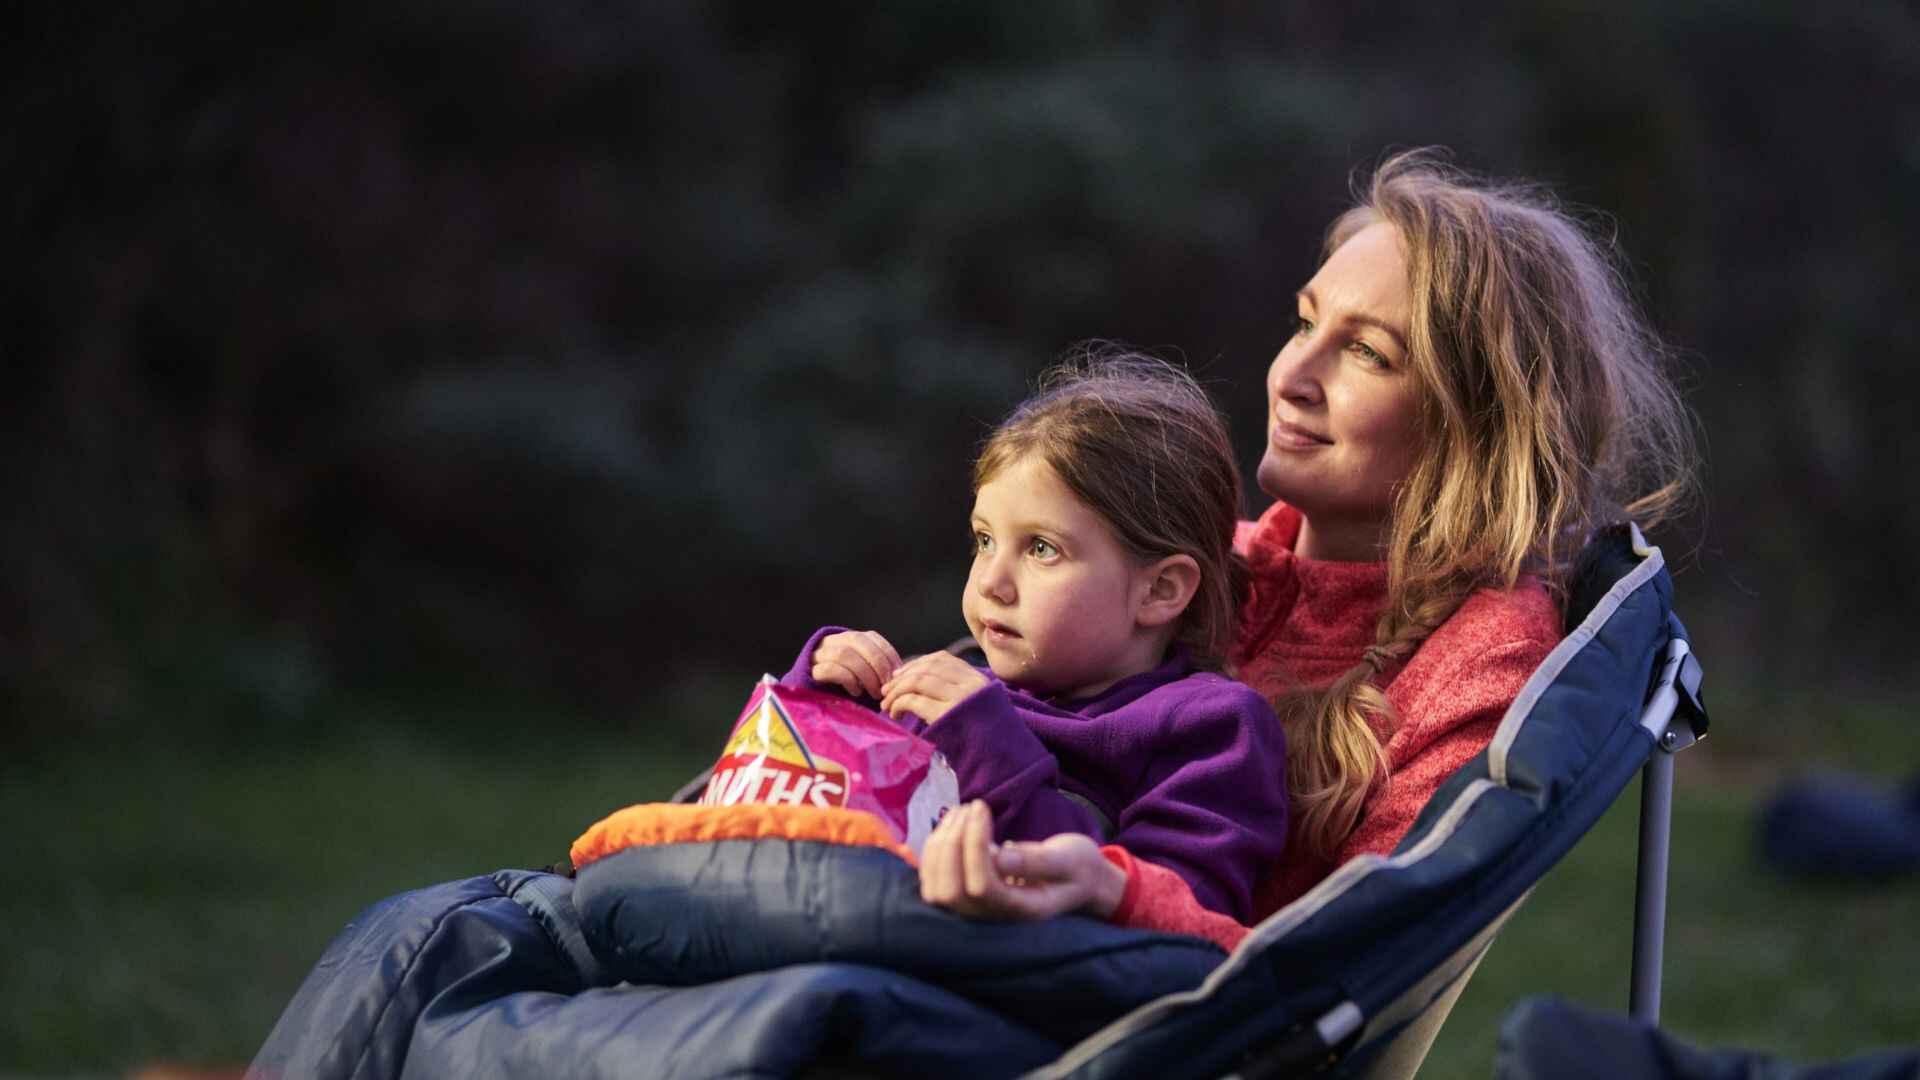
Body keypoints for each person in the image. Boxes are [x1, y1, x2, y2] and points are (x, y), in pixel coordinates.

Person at [919, 149, 1698, 951]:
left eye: (1367, 352)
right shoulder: (1204, 560)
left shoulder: (1477, 663)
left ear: (1476, 425)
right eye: (1304, 322)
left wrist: (1116, 893)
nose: (1292, 373)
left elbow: (1348, 964)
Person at [777, 356, 1289, 922]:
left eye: (1041, 548)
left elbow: (1170, 922)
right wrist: (828, 693)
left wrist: (987, 747)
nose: (991, 583)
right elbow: (805, 809)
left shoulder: (1211, 727)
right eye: (984, 539)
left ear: (1159, 590)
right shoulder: (962, 685)